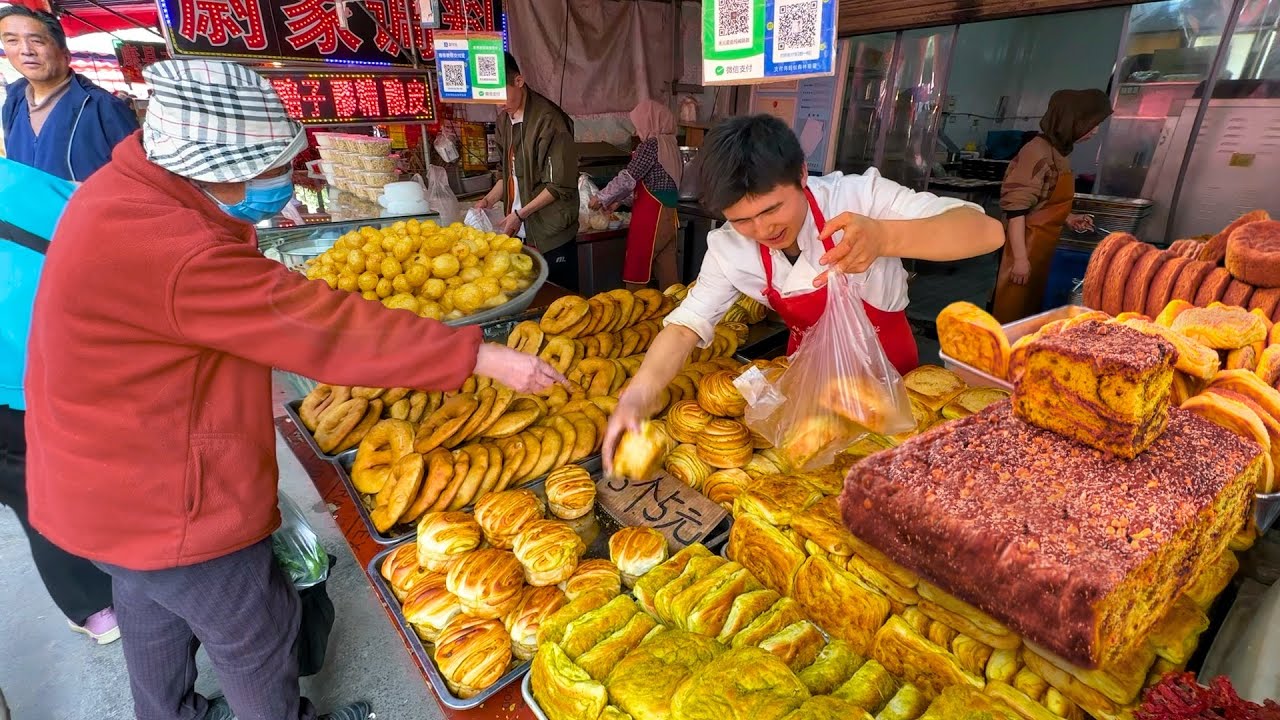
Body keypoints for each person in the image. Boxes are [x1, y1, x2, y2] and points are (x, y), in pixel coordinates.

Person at [24, 59, 565, 720]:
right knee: (257, 634)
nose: (281, 179)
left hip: (98, 490)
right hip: (169, 501)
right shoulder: (179, 249)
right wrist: (475, 355)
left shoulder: (120, 192)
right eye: (272, 166)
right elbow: (324, 327)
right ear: (215, 168)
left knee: (150, 613)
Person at [601, 114, 1004, 468]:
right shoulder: (730, 247)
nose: (763, 231)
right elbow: (688, 324)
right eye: (742, 220)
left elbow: (986, 232)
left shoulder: (857, 196)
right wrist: (638, 395)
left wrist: (885, 237)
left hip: (889, 377)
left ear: (802, 175)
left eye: (772, 209)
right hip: (806, 386)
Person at [0, 157, 119, 644]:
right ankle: (101, 599)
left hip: (62, 363)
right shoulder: (22, 180)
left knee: (36, 492)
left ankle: (102, 600)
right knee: (35, 490)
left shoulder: (23, 180)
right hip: (58, 365)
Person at [991, 88, 1112, 323]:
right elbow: (1016, 211)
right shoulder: (1036, 152)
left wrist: (1068, 217)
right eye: (1091, 124)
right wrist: (1020, 260)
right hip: (1023, 244)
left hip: (1040, 246)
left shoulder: (1058, 152)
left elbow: (1043, 202)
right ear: (1070, 121)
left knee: (1028, 314)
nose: (1095, 130)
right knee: (1011, 314)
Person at [476, 52, 579, 289]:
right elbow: (507, 174)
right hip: (520, 230)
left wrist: (520, 214)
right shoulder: (505, 120)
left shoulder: (550, 120)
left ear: (519, 81)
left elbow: (558, 185)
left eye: (501, 94)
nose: (498, 103)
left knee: (560, 301)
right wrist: (488, 200)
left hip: (551, 233)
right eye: (491, 97)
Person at [0, 6, 138, 181]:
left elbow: (139, 175)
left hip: (87, 207)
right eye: (12, 41)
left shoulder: (103, 106)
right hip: (30, 208)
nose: (26, 50)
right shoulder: (13, 103)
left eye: (37, 41)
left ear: (65, 54)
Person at [589, 98, 683, 290]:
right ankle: (675, 315)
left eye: (638, 125)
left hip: (652, 220)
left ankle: (635, 314)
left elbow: (628, 177)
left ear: (650, 121)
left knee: (637, 270)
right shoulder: (671, 144)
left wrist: (602, 197)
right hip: (669, 218)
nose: (636, 131)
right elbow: (651, 184)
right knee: (669, 278)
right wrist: (618, 201)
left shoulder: (651, 145)